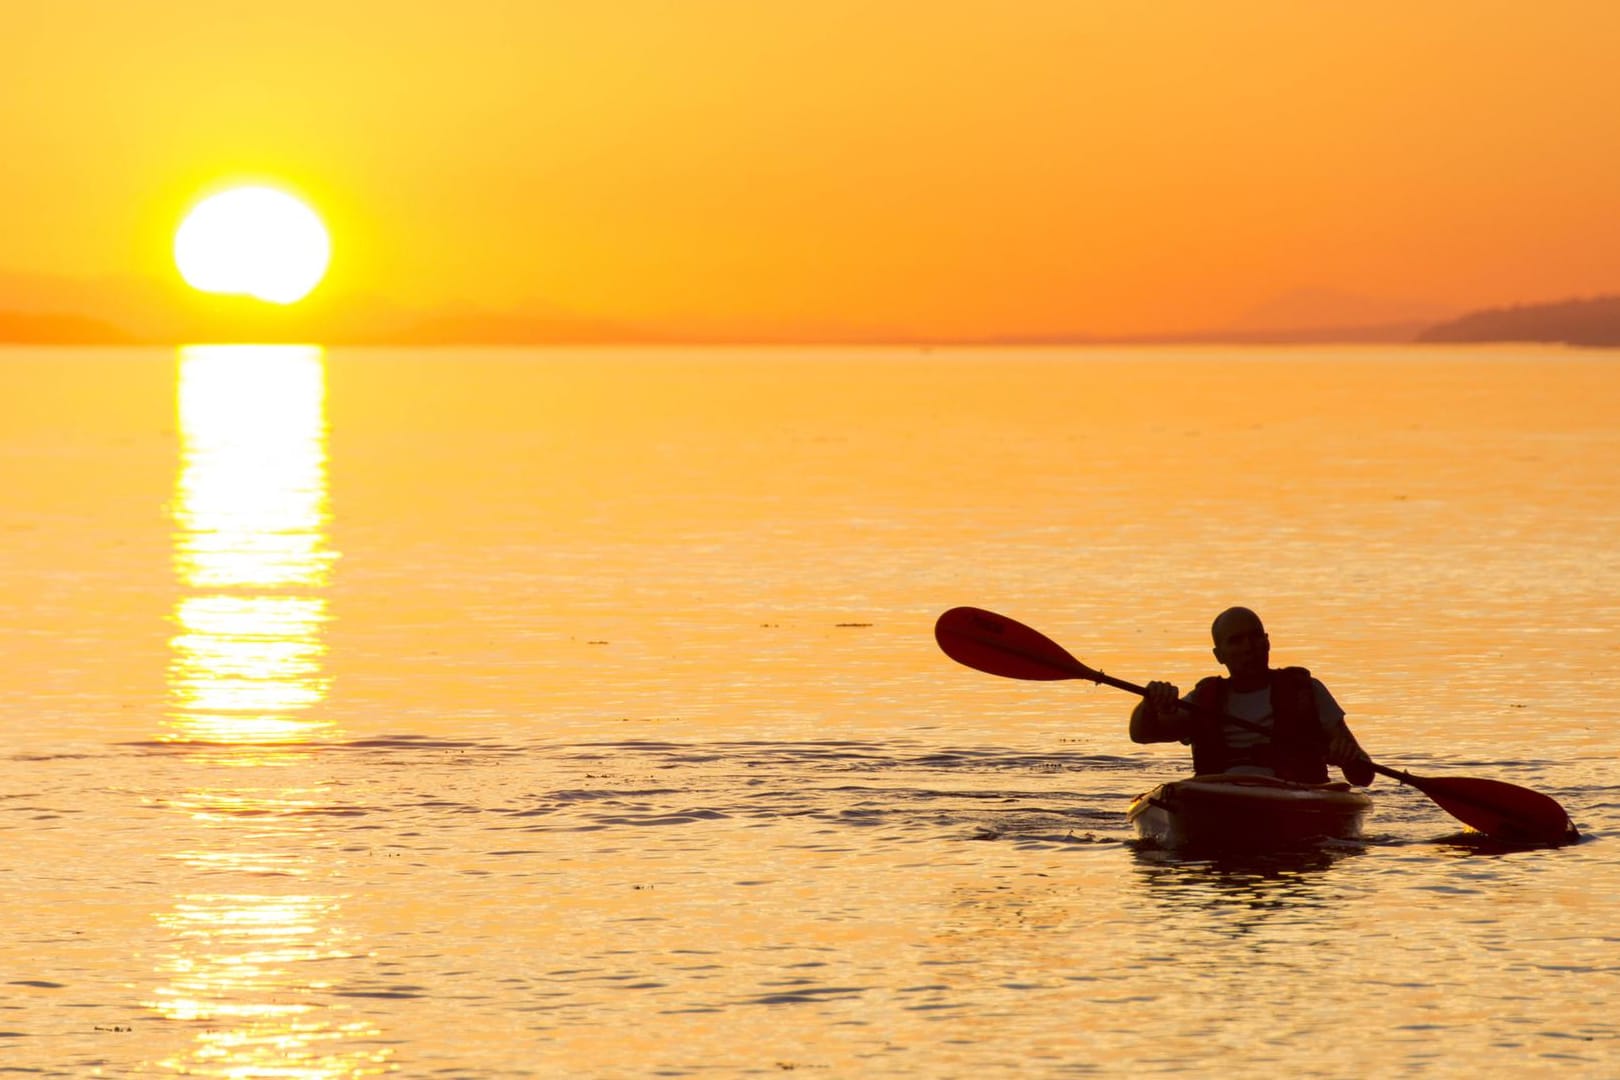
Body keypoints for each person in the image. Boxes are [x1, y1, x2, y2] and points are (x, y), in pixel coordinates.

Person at [1130, 607, 1375, 786]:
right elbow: (1142, 734)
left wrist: (1348, 760)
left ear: (1267, 643)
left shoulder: (1306, 691)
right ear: (1219, 655)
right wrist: (1149, 704)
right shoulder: (1202, 700)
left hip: (1296, 798)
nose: (1249, 647)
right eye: (1236, 641)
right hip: (1221, 801)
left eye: (1255, 637)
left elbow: (1364, 777)